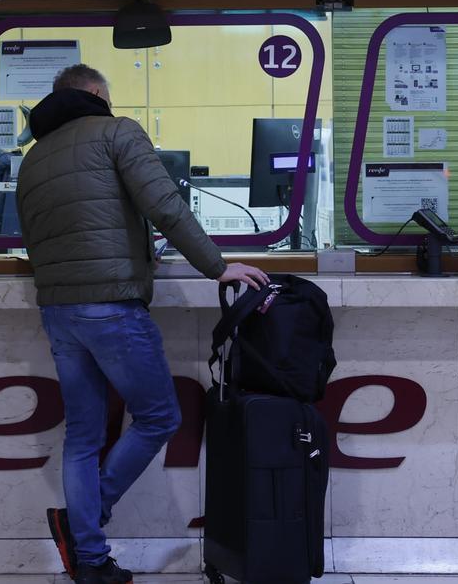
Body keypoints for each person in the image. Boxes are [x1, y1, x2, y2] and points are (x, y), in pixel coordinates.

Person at [16, 64, 269, 584]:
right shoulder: (118, 130)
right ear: (94, 96)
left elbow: (55, 235)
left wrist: (132, 251)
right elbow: (165, 207)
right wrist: (218, 267)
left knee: (83, 438)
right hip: (112, 306)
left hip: (59, 312)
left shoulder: (34, 158)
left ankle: (89, 560)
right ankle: (81, 523)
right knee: (157, 417)